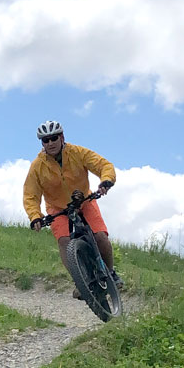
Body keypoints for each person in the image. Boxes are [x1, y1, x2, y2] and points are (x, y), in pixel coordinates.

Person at [23, 120, 123, 296]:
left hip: (85, 200)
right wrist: (35, 216)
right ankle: (81, 280)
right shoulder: (37, 166)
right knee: (64, 241)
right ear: (42, 144)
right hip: (57, 208)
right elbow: (31, 195)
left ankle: (110, 272)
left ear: (62, 137)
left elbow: (103, 165)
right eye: (46, 140)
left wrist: (106, 180)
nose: (50, 143)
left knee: (100, 236)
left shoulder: (77, 153)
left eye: (54, 138)